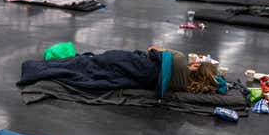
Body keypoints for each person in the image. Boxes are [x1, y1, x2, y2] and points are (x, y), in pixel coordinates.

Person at [18, 46, 226, 97]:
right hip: (139, 78)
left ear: (197, 66)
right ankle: (39, 69)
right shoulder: (183, 87)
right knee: (85, 69)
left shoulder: (179, 59)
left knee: (83, 63)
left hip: (129, 62)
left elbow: (151, 49)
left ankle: (32, 68)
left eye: (198, 60)